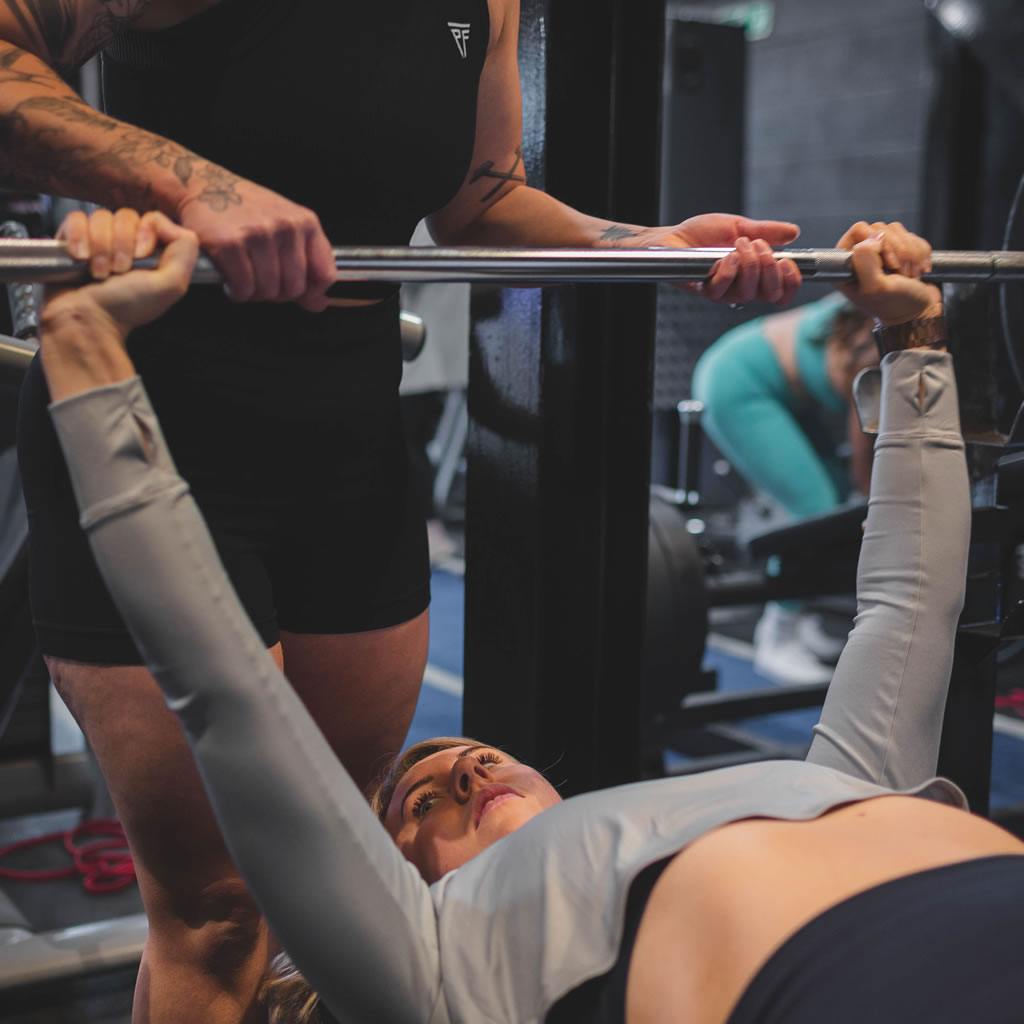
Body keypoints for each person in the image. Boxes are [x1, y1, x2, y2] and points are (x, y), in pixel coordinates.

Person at [1, 3, 805, 1019]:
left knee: (324, 884)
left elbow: (481, 198)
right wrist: (198, 187)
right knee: (217, 911)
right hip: (162, 406)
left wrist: (646, 244)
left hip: (349, 441)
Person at [37, 208, 1024, 1024]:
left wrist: (912, 339)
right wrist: (86, 367)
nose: (465, 772)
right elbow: (230, 695)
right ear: (376, 889)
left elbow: (906, 605)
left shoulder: (847, 782)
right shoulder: (425, 965)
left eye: (469, 761)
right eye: (422, 809)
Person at [692, 293, 879, 685]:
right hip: (736, 383)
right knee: (815, 508)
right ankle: (777, 636)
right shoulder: (876, 331)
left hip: (784, 397)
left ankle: (799, 619)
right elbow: (865, 443)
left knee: (832, 493)